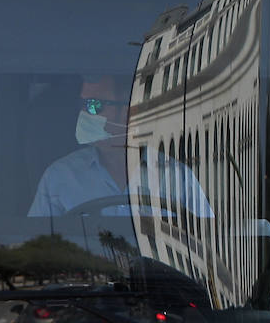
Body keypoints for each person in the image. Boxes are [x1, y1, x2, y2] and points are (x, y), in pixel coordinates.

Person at [29, 74, 212, 218]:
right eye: (82, 104)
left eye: (94, 105)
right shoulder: (58, 178)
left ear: (128, 110)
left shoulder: (178, 179)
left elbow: (207, 244)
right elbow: (35, 247)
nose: (84, 113)